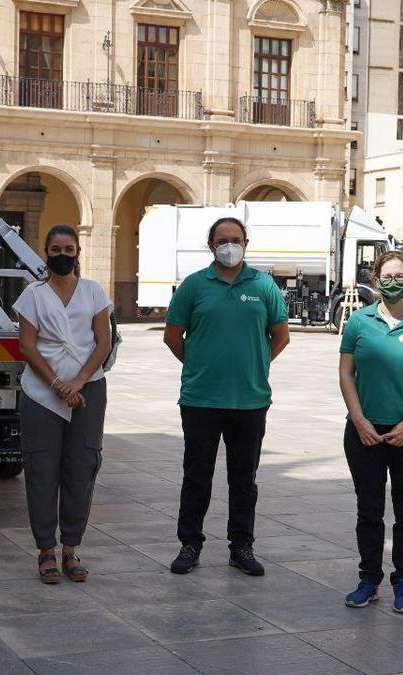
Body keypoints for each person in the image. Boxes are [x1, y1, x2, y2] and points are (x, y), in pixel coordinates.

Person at [163, 217, 290, 577]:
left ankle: (242, 547)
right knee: (197, 475)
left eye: (235, 239)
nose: (229, 246)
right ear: (211, 246)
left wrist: (257, 364)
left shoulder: (264, 286)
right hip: (201, 399)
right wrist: (200, 364)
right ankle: (189, 544)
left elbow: (280, 336)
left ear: (246, 243)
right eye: (222, 240)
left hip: (250, 401)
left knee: (244, 478)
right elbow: (173, 336)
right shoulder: (193, 286)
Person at [338, 251, 403, 614]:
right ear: (377, 278)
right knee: (368, 509)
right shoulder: (358, 321)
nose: (394, 281)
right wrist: (360, 420)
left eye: (401, 275)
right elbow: (345, 374)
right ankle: (369, 578)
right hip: (364, 432)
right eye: (387, 275)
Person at [14, 225, 113, 584]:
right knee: (41, 470)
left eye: (69, 248)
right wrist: (57, 384)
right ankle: (45, 550)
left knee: (82, 467)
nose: (62, 254)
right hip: (42, 393)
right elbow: (27, 346)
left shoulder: (93, 291)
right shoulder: (33, 295)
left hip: (89, 389)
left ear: (78, 252)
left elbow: (104, 341)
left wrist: (78, 382)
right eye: (56, 248)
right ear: (46, 251)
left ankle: (70, 548)